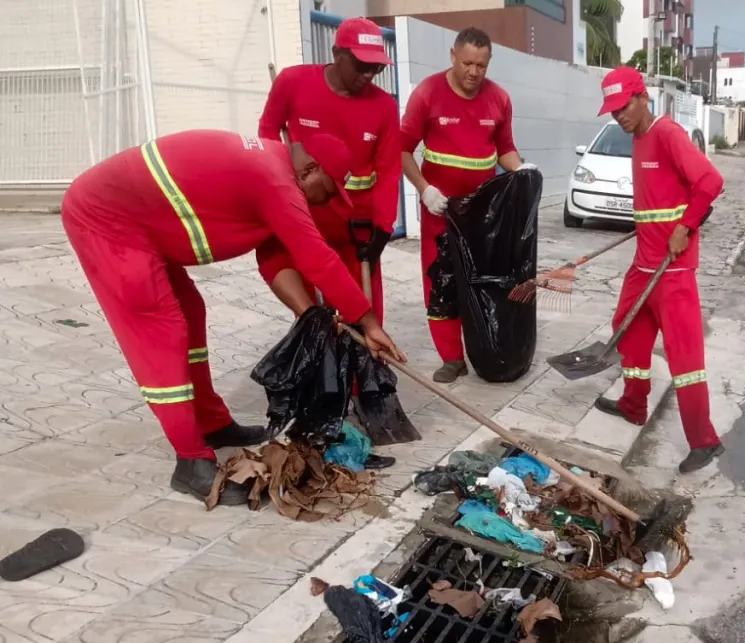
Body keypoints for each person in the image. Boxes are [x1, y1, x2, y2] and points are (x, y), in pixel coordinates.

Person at [61, 130, 407, 506]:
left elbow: (274, 258)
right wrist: (369, 324)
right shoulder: (274, 182)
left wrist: (314, 316)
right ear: (309, 169)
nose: (327, 199)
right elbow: (317, 259)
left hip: (137, 219)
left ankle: (212, 424)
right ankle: (191, 463)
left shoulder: (274, 171)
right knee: (161, 331)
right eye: (329, 188)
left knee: (190, 311)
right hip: (106, 221)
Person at [592, 66, 724, 474]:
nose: (619, 116)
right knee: (627, 331)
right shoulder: (638, 139)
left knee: (685, 360)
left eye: (624, 106)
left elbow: (710, 181)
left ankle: (705, 441)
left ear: (643, 98)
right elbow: (658, 197)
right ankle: (634, 404)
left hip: (673, 272)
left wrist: (685, 227)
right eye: (613, 111)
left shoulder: (668, 135)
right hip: (643, 266)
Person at [400, 26, 534, 383]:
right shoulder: (427, 94)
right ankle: (451, 358)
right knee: (440, 282)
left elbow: (504, 148)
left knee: (480, 282)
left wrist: (522, 170)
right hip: (440, 212)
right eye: (468, 63)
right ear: (453, 56)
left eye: (482, 65)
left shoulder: (500, 99)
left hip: (482, 215)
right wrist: (424, 189)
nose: (474, 72)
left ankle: (484, 347)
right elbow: (401, 149)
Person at [256, 17, 400, 324]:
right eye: (362, 65)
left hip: (357, 228)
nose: (369, 75)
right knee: (315, 316)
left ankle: (364, 369)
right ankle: (321, 369)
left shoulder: (384, 106)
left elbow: (389, 171)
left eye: (377, 68)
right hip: (304, 219)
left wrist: (384, 228)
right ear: (337, 53)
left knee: (363, 313)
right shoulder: (293, 83)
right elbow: (267, 136)